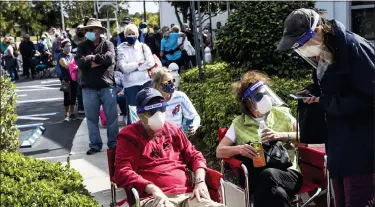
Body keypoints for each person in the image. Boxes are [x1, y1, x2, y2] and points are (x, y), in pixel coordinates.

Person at [277, 8, 374, 207]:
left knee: (357, 199)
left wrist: (325, 102)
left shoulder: (353, 46)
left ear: (319, 30)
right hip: (339, 142)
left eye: (303, 43)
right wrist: (313, 92)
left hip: (361, 145)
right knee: (341, 199)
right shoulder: (325, 51)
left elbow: (369, 97)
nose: (303, 49)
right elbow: (331, 86)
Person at [114, 87, 225, 207]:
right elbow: (122, 171)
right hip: (152, 198)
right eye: (152, 112)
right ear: (140, 115)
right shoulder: (128, 136)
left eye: (161, 109)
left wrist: (200, 181)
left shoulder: (172, 129)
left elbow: (194, 156)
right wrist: (152, 189)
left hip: (186, 196)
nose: (159, 114)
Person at [216, 71, 303, 207]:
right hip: (255, 177)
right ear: (249, 103)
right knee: (278, 194)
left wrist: (280, 135)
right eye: (259, 96)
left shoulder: (282, 114)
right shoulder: (239, 123)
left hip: (288, 173)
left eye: (265, 93)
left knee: (269, 176)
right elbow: (219, 151)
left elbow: (303, 137)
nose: (265, 98)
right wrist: (240, 149)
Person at [75, 18, 118, 155]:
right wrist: (100, 61)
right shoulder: (82, 46)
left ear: (99, 30)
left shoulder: (108, 44)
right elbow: (81, 63)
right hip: (89, 88)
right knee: (91, 119)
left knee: (112, 118)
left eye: (91, 29)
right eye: (87, 29)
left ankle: (114, 143)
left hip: (107, 86)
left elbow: (110, 59)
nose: (89, 32)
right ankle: (95, 144)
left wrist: (92, 58)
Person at [116, 23, 155, 126]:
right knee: (133, 111)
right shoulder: (121, 48)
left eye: (133, 33)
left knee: (148, 109)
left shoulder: (144, 47)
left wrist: (133, 67)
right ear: (125, 35)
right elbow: (124, 68)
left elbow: (150, 62)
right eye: (128, 34)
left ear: (137, 34)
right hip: (130, 84)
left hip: (145, 81)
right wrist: (139, 63)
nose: (131, 36)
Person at [151, 67, 200, 136]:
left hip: (177, 136)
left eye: (173, 80)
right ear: (159, 85)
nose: (172, 84)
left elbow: (194, 116)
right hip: (161, 138)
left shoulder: (180, 96)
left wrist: (194, 126)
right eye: (168, 82)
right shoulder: (152, 101)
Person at [58, 40, 77, 122]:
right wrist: (75, 65)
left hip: (74, 78)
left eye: (70, 45)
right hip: (66, 79)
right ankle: (66, 114)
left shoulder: (73, 55)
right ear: (63, 47)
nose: (69, 47)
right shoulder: (61, 56)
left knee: (73, 96)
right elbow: (66, 66)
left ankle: (72, 113)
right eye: (66, 45)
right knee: (67, 96)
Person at [72, 24, 86, 115]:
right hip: (77, 65)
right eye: (79, 30)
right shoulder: (73, 40)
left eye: (82, 30)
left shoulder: (87, 39)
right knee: (79, 88)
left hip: (86, 64)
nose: (80, 31)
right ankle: (80, 106)